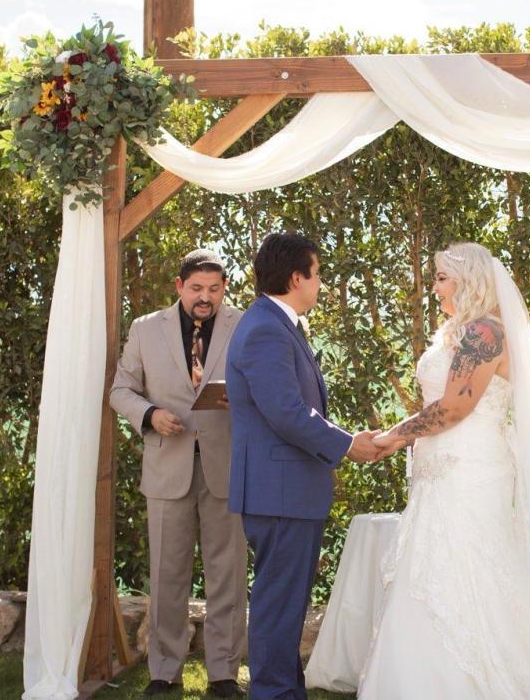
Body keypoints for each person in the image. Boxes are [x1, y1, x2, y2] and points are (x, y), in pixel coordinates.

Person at [361, 242, 530, 699]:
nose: (435, 285)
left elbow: (456, 407)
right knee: (431, 567)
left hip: (471, 467)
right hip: (439, 468)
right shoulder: (458, 332)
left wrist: (394, 436)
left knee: (473, 565)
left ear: (467, 280)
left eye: (441, 276)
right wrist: (403, 441)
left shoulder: (485, 333)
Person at [225, 232, 383, 700]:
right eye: (317, 275)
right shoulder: (266, 329)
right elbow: (286, 411)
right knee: (278, 603)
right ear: (297, 277)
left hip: (286, 490)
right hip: (279, 492)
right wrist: (346, 445)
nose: (320, 286)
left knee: (286, 602)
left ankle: (283, 691)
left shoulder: (274, 324)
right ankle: (273, 693)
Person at [109, 250, 247, 697]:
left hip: (226, 465)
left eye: (213, 289)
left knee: (227, 571)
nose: (205, 297)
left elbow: (264, 383)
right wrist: (149, 415)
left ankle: (224, 673)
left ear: (223, 287)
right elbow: (120, 390)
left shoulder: (243, 324)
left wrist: (240, 399)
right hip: (167, 463)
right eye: (196, 289)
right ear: (179, 286)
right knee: (167, 573)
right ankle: (162, 671)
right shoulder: (146, 329)